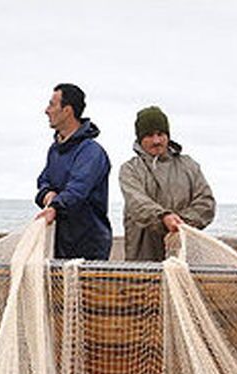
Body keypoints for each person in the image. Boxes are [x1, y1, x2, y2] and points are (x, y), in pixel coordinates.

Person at [118, 106, 215, 261]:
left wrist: (180, 224)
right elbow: (137, 203)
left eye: (161, 134)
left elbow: (206, 203)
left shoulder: (189, 165)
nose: (156, 141)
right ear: (139, 139)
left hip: (184, 256)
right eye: (149, 135)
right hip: (143, 257)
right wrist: (163, 218)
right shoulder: (130, 169)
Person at [35, 83, 112, 260]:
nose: (47, 110)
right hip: (62, 244)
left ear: (67, 110)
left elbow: (77, 190)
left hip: (90, 247)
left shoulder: (91, 152)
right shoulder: (55, 150)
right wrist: (47, 194)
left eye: (52, 105)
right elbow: (43, 180)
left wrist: (55, 207)